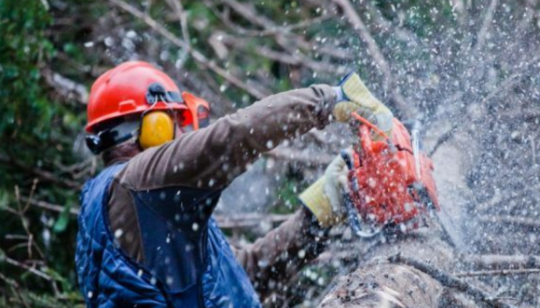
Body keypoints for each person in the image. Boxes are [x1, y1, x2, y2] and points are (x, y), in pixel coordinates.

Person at [76, 61, 393, 308]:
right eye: (174, 122)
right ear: (153, 127)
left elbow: (235, 280)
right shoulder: (138, 183)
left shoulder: (136, 204)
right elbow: (231, 137)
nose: (182, 135)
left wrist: (316, 216)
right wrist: (330, 100)